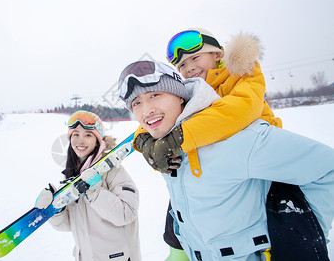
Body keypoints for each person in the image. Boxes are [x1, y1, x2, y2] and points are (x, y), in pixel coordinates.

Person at [132, 28, 325, 260]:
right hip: (215, 172)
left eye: (195, 58)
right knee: (181, 208)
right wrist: (143, 139)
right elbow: (162, 115)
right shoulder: (193, 92)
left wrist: (177, 139)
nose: (189, 67)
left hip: (260, 169)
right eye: (181, 65)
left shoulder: (243, 76)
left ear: (217, 55)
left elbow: (235, 112)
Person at [35, 110, 141, 261]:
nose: (80, 140)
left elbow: (127, 214)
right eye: (75, 134)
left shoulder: (114, 172)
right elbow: (72, 224)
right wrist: (55, 211)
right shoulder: (73, 175)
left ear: (98, 140)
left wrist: (94, 191)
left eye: (88, 135)